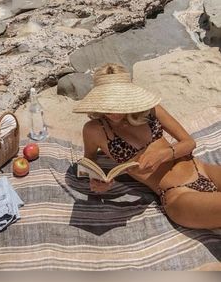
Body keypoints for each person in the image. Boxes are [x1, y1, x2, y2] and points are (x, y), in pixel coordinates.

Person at [73, 63, 221, 230]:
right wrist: (98, 181)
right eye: (107, 103)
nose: (113, 111)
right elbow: (88, 163)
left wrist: (162, 155)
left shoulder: (150, 111)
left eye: (118, 103)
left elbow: (189, 143)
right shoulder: (94, 130)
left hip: (202, 170)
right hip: (177, 193)